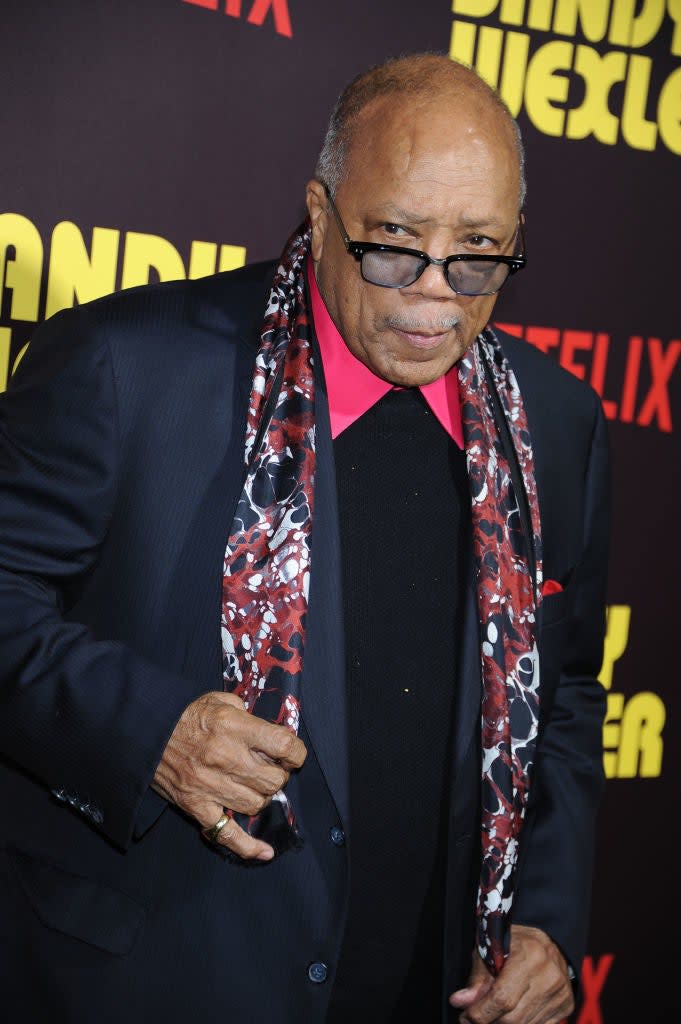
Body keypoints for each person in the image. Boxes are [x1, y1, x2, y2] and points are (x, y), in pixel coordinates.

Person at [0, 53, 609, 1023]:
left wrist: (542, 913)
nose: (435, 296)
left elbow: (567, 690)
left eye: (479, 251)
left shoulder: (556, 419)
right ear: (322, 215)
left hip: (431, 985)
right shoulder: (125, 366)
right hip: (160, 978)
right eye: (396, 243)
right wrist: (146, 732)